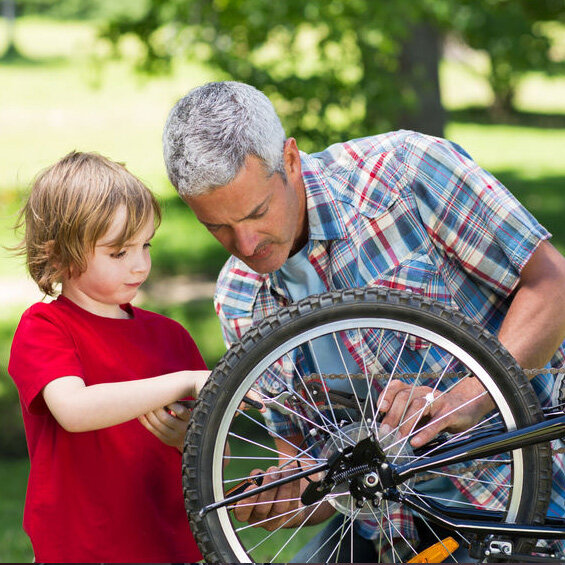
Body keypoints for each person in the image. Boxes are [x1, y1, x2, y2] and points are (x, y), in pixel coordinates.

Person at [162, 81, 565, 560]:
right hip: (396, 533)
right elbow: (308, 474)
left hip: (529, 498)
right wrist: (272, 493)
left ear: (289, 160)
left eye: (257, 213)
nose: (246, 245)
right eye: (219, 228)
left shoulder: (407, 174)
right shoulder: (238, 298)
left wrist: (470, 396)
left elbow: (553, 285)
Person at [8, 151, 210, 563]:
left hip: (171, 547)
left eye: (145, 245)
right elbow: (75, 410)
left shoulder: (170, 336)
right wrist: (185, 380)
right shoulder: (45, 327)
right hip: (82, 549)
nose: (140, 265)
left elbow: (220, 448)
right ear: (59, 256)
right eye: (119, 253)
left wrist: (193, 439)